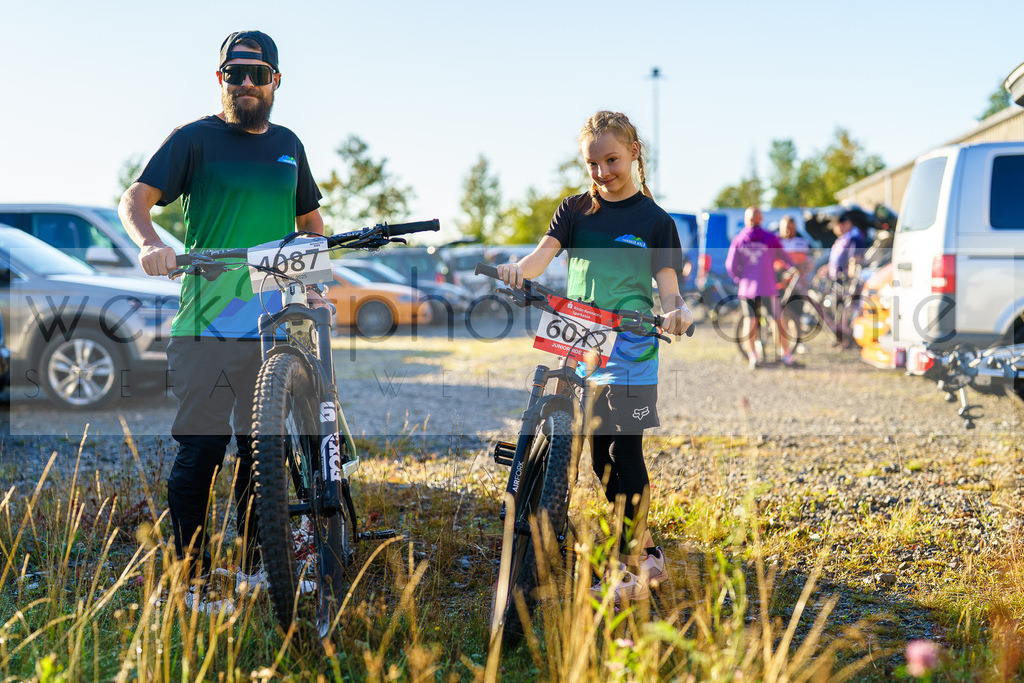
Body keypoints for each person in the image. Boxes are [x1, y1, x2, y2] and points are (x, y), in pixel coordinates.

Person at [119, 30, 325, 613]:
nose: (246, 83)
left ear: (276, 80)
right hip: (207, 323)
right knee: (202, 450)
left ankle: (261, 566)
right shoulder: (194, 139)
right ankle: (193, 579)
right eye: (234, 73)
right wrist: (150, 243)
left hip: (273, 326)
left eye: (257, 73)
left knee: (264, 450)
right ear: (221, 79)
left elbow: (311, 224)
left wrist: (312, 283)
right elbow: (134, 199)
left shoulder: (289, 143)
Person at [496, 110, 692, 602]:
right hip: (581, 338)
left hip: (631, 345)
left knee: (621, 449)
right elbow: (542, 255)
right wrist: (519, 270)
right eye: (594, 163)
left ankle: (634, 562)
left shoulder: (656, 221)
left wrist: (679, 311)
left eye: (612, 160)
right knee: (595, 454)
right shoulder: (576, 210)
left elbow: (669, 289)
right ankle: (643, 543)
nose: (603, 172)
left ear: (634, 155)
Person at [725, 207, 798, 368]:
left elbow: (730, 266)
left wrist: (740, 278)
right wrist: (793, 267)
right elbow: (785, 257)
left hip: (748, 289)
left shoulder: (739, 239)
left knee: (750, 321)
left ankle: (753, 356)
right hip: (767, 287)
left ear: (747, 220)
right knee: (777, 321)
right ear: (761, 219)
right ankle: (785, 354)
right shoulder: (769, 238)